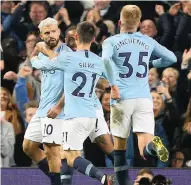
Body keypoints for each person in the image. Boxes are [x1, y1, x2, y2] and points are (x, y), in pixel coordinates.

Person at [31, 21, 115, 185]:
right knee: (68, 152)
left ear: (76, 36)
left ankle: (103, 178)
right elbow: (109, 83)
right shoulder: (99, 61)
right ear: (93, 39)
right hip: (93, 114)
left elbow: (41, 64)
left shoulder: (68, 58)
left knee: (71, 157)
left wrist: (34, 55)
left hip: (75, 116)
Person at [102, 5, 177, 185]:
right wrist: (151, 63)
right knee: (144, 147)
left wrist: (113, 85)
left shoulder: (111, 41)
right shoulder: (147, 41)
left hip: (121, 100)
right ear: (138, 23)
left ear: (120, 22)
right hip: (143, 99)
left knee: (119, 149)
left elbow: (105, 59)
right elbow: (172, 59)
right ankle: (154, 145)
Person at [22, 17, 72, 185]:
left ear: (59, 32)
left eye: (53, 31)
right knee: (28, 147)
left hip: (57, 111)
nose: (51, 35)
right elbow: (34, 59)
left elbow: (72, 85)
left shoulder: (68, 54)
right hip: (42, 109)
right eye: (46, 33)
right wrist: (36, 51)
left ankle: (57, 182)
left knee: (52, 152)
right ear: (41, 36)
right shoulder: (42, 52)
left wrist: (59, 107)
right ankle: (55, 178)